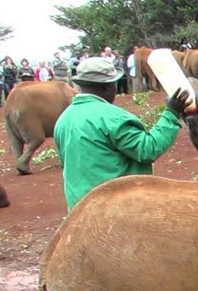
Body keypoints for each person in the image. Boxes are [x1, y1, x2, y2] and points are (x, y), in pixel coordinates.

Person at [54, 58, 190, 210]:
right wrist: (171, 114)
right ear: (108, 86)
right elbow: (148, 149)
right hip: (115, 209)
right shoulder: (112, 118)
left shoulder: (63, 119)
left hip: (79, 210)